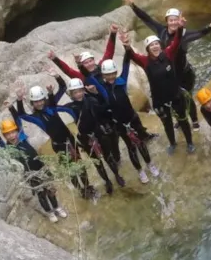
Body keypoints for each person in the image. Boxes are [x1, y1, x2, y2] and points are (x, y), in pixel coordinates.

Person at [126, 0, 211, 128]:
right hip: (170, 74)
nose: (173, 23)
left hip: (184, 73)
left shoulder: (184, 34)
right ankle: (180, 119)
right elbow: (146, 19)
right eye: (170, 20)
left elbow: (200, 33)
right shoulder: (161, 31)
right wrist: (133, 5)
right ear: (167, 21)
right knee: (174, 99)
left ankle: (194, 120)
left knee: (188, 98)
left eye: (175, 20)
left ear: (179, 21)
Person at [49, 27, 158, 142]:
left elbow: (109, 52)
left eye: (90, 60)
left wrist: (113, 34)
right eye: (86, 62)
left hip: (114, 99)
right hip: (100, 106)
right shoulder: (82, 77)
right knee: (113, 131)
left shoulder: (103, 67)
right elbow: (67, 70)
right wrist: (55, 59)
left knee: (131, 118)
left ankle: (143, 135)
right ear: (82, 65)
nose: (89, 64)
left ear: (94, 60)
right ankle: (121, 143)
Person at [9, 82, 97, 200]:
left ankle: (87, 187)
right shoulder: (35, 117)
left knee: (80, 165)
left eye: (41, 100)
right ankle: (80, 189)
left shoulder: (52, 106)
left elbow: (63, 88)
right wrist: (19, 100)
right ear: (32, 104)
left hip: (70, 140)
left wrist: (54, 84)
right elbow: (21, 115)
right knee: (69, 169)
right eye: (36, 101)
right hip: (58, 145)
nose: (39, 103)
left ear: (44, 99)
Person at [122, 28, 195, 155]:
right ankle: (172, 143)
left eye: (156, 44)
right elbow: (132, 55)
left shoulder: (168, 54)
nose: (155, 47)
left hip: (175, 96)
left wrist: (179, 28)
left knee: (183, 120)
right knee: (167, 124)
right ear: (148, 49)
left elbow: (176, 42)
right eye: (151, 45)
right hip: (160, 101)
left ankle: (189, 142)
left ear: (160, 46)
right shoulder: (145, 61)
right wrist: (127, 45)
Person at [55, 75, 125, 194]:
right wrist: (58, 81)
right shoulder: (70, 107)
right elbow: (53, 107)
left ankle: (117, 175)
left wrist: (96, 93)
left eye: (80, 91)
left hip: (98, 132)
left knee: (108, 156)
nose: (78, 94)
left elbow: (104, 106)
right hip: (85, 137)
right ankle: (107, 181)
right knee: (97, 162)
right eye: (75, 92)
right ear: (71, 94)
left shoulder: (91, 99)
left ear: (83, 90)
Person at [96, 54, 160, 184]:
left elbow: (126, 64)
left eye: (113, 73)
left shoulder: (122, 81)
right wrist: (81, 65)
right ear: (103, 75)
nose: (111, 76)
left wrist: (127, 49)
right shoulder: (103, 88)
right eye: (107, 74)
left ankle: (150, 164)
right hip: (120, 124)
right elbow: (89, 77)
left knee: (141, 142)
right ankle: (140, 171)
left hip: (132, 119)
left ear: (116, 72)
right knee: (131, 147)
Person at [0, 118, 67, 222]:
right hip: (30, 174)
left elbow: (19, 121)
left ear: (17, 131)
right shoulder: (8, 148)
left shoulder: (23, 138)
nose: (11, 135)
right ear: (4, 136)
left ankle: (57, 207)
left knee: (51, 190)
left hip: (42, 168)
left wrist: (16, 105)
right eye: (8, 134)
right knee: (41, 194)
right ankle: (50, 212)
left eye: (13, 132)